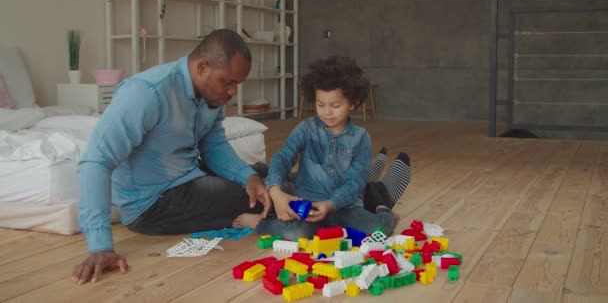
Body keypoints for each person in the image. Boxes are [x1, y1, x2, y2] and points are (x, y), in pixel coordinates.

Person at [72, 29, 271, 284]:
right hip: (153, 203)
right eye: (228, 82)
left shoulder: (212, 96)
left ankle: (301, 190)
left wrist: (248, 177)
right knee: (264, 196)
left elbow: (214, 146)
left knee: (262, 176)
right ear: (202, 68)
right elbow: (96, 162)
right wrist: (99, 246)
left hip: (188, 177)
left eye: (237, 85)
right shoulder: (146, 93)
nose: (233, 92)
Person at [233, 56, 411, 240]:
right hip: (308, 204)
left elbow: (356, 182)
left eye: (335, 105)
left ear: (353, 103)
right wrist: (275, 189)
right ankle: (261, 223)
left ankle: (383, 208)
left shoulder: (360, 137)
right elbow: (283, 157)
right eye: (320, 104)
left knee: (377, 230)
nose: (326, 112)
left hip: (345, 207)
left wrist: (331, 204)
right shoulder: (306, 128)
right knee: (298, 232)